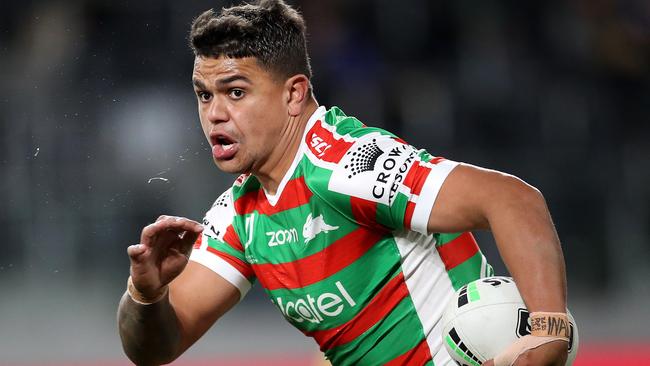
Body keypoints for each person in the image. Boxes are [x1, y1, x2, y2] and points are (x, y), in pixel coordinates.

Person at [117, 1, 570, 365]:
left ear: (294, 94)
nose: (214, 113)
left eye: (236, 92)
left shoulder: (348, 165)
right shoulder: (240, 214)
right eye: (204, 95)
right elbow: (157, 349)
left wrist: (549, 331)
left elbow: (513, 198)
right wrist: (146, 292)